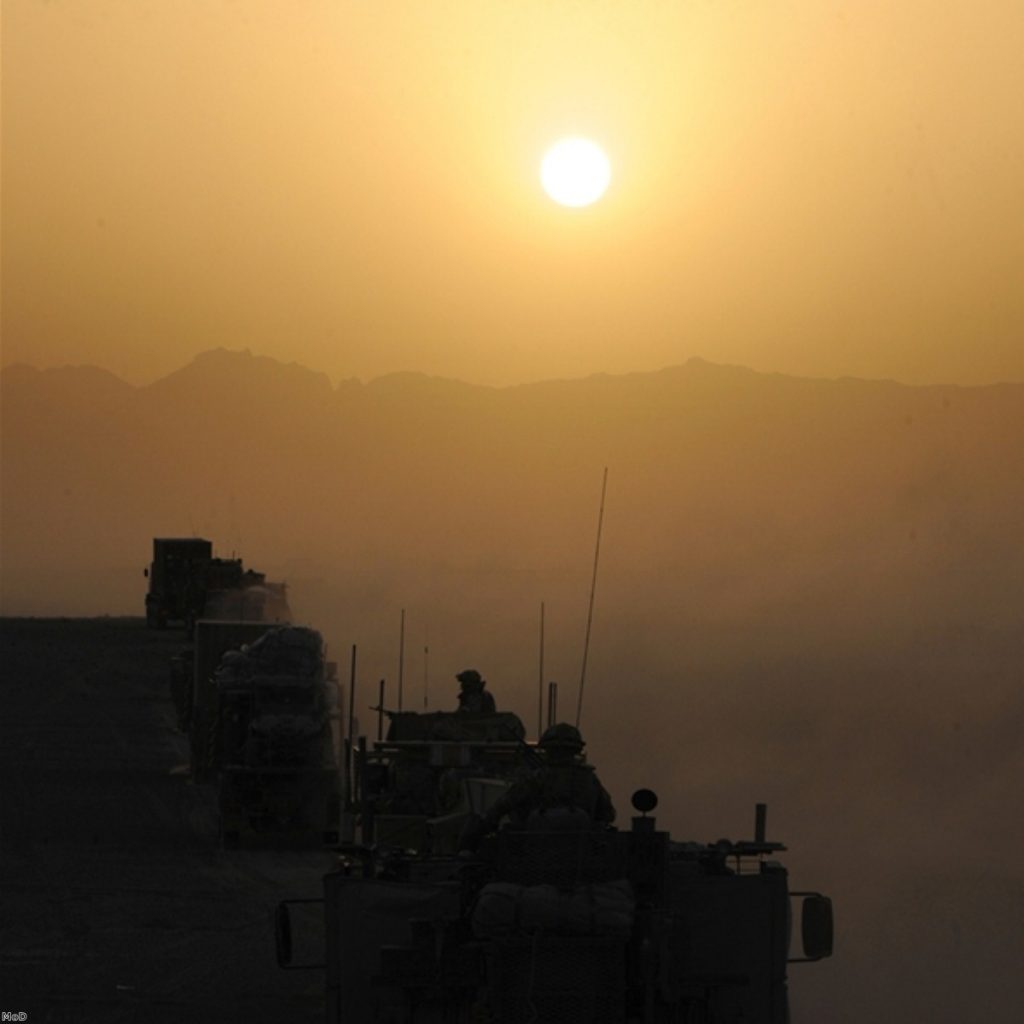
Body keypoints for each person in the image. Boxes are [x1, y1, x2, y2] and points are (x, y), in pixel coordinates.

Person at [461, 723, 615, 849]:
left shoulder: (535, 778)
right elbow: (608, 814)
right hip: (580, 857)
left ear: (547, 750)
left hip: (534, 855)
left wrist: (479, 830)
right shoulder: (589, 779)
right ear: (575, 750)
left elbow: (500, 808)